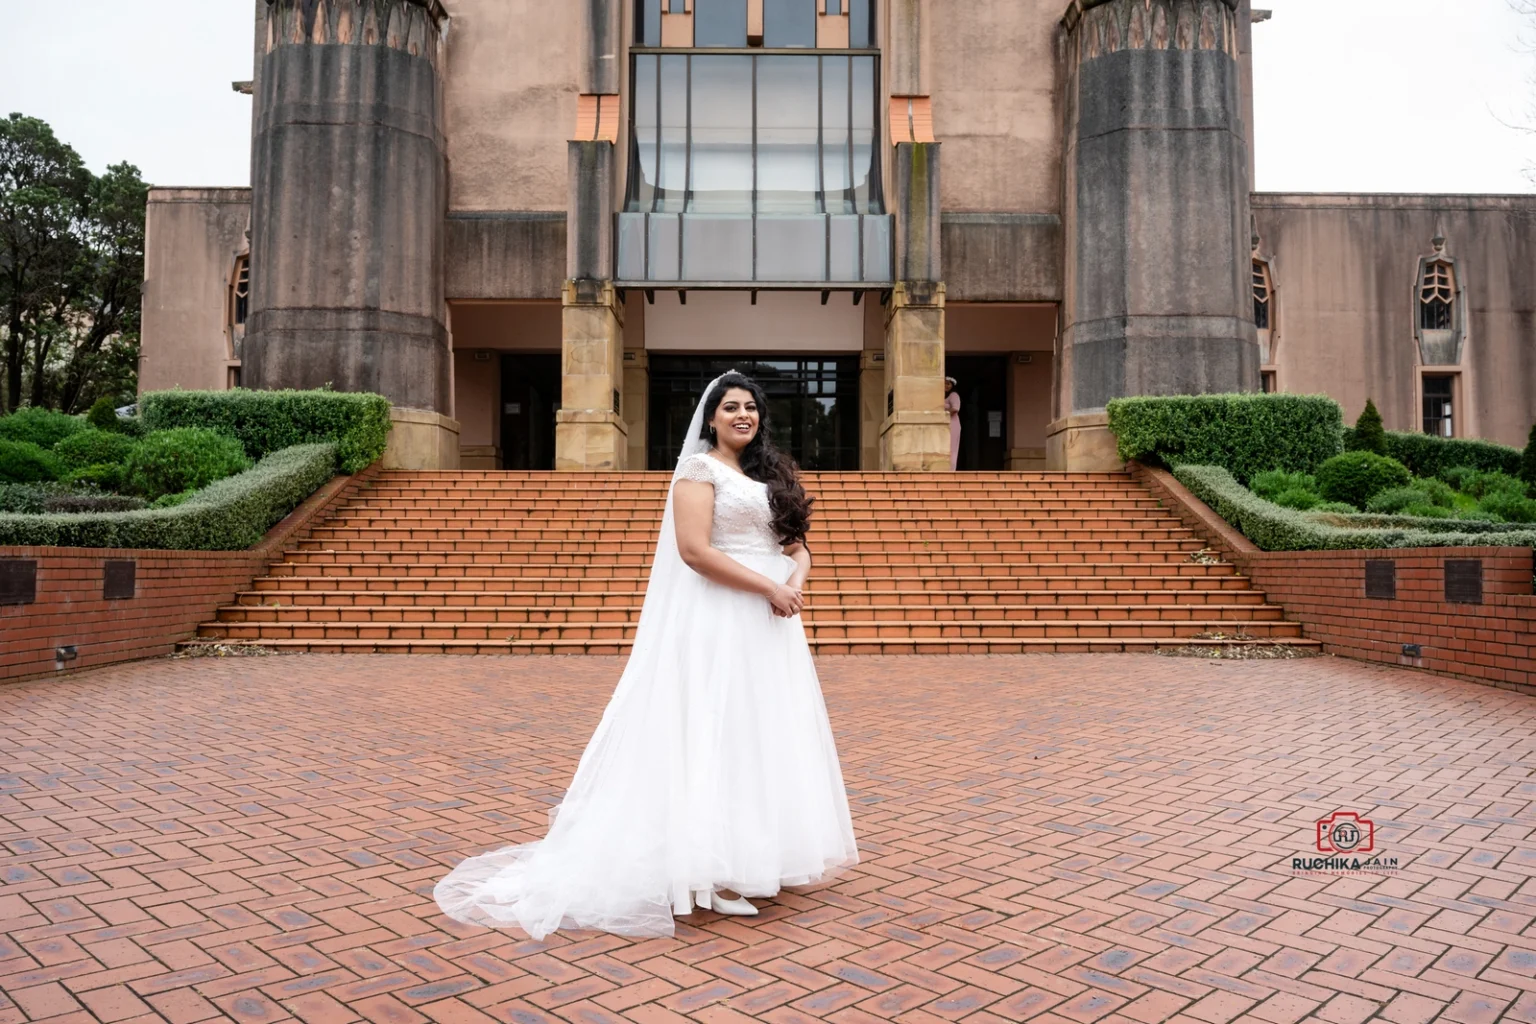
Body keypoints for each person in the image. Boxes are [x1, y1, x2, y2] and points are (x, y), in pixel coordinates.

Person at [433, 371, 860, 939]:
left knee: (760, 732)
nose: (743, 415)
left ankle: (757, 853)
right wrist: (768, 587)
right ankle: (709, 873)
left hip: (771, 625)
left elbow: (794, 541)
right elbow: (693, 551)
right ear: (710, 417)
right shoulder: (696, 470)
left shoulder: (768, 473)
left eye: (751, 407)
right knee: (713, 730)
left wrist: (795, 576)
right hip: (720, 617)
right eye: (730, 407)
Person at [944, 376, 962, 472]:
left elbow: (955, 408)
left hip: (953, 424)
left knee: (952, 448)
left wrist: (945, 413)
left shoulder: (954, 395)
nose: (946, 385)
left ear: (952, 386)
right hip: (945, 424)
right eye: (944, 383)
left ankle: (951, 471)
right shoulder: (944, 396)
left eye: (948, 384)